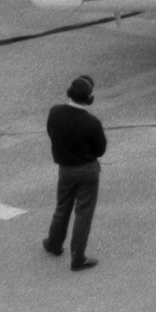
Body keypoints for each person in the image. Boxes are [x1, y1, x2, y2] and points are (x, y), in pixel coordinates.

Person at [44, 75, 106, 271]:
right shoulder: (92, 123)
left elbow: (51, 134)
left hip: (66, 170)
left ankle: (54, 244)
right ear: (89, 98)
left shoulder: (55, 113)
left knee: (62, 207)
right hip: (87, 171)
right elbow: (100, 150)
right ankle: (77, 258)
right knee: (83, 213)